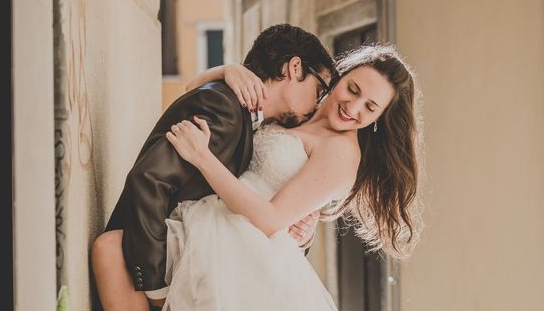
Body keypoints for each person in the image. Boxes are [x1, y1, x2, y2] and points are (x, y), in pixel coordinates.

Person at [91, 24, 337, 311]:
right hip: (155, 267)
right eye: (319, 89)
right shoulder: (224, 106)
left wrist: (300, 234)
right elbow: (149, 180)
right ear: (295, 67)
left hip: (222, 266)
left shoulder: (251, 119)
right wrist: (156, 284)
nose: (318, 103)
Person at [161, 43, 424, 310]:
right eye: (352, 89)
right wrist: (228, 71)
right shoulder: (300, 106)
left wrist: (203, 158)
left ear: (379, 118)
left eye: (369, 107)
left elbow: (271, 220)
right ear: (341, 76)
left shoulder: (341, 150)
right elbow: (191, 89)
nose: (352, 107)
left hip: (245, 254)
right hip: (216, 224)